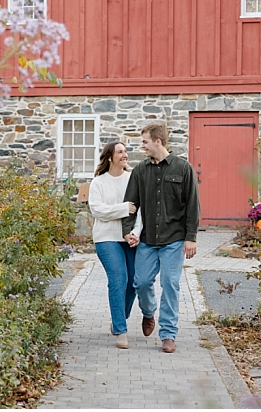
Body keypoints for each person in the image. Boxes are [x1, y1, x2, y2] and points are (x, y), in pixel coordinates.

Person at [121, 123, 200, 354]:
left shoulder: (183, 168)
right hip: (147, 240)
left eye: (145, 141)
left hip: (174, 240)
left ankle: (168, 334)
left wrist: (191, 238)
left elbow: (193, 206)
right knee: (142, 283)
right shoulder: (140, 171)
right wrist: (128, 231)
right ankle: (148, 313)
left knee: (170, 284)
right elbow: (131, 205)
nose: (141, 146)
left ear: (158, 141)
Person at [88, 141, 144, 349]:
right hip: (106, 238)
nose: (125, 154)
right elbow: (97, 210)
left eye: (126, 151)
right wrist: (123, 208)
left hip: (130, 238)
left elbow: (139, 211)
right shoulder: (98, 183)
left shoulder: (133, 179)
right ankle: (121, 330)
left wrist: (135, 233)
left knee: (134, 282)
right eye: (120, 152)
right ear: (110, 157)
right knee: (118, 278)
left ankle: (119, 316)